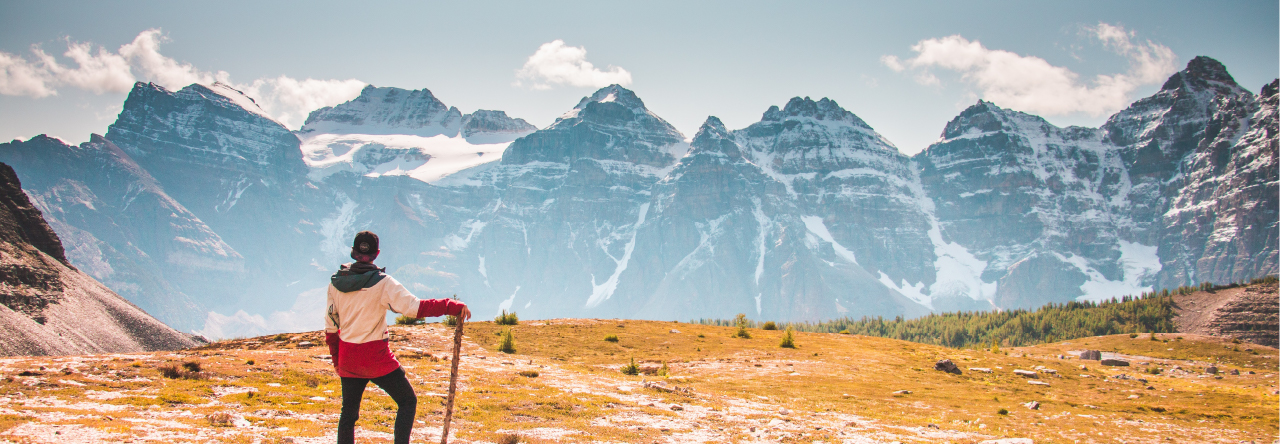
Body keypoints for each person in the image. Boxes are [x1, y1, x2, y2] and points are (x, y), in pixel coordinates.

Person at [324, 230, 472, 444]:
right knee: (407, 401)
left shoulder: (335, 284)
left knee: (348, 414)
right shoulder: (383, 283)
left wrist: (337, 360)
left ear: (353, 252)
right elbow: (415, 308)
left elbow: (330, 328)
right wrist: (452, 306)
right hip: (376, 358)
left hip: (349, 358)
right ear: (377, 253)